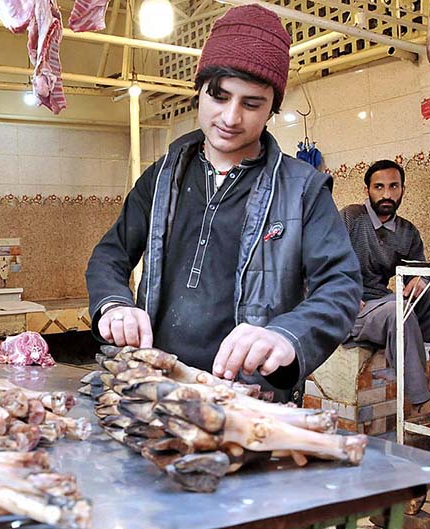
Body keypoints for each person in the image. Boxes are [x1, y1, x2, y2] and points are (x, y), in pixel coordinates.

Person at [85, 4, 362, 404]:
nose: (231, 117)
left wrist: (287, 336)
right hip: (155, 386)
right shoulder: (161, 178)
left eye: (251, 103)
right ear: (200, 90)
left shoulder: (304, 189)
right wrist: (114, 305)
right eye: (219, 96)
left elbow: (340, 286)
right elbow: (109, 255)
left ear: (272, 108)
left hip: (250, 399)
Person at [341, 160, 430, 415]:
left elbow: (416, 271)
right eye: (379, 187)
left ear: (402, 190)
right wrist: (343, 293)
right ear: (367, 190)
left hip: (383, 301)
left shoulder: (408, 231)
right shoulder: (351, 217)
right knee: (399, 310)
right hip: (351, 307)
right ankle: (419, 400)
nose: (386, 194)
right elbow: (322, 257)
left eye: (393, 186)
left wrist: (421, 279)